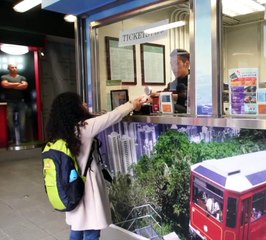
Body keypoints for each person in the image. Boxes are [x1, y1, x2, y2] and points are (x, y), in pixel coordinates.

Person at [45, 92, 148, 240]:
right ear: (74, 108)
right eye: (81, 103)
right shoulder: (83, 129)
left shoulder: (60, 131)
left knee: (77, 227)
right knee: (92, 231)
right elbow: (113, 116)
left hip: (71, 185)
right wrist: (133, 104)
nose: (85, 105)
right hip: (87, 186)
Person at [151, 49, 190, 113]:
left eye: (177, 64)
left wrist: (165, 96)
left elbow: (187, 97)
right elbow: (162, 94)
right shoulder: (171, 85)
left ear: (186, 63)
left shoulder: (195, 82)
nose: (174, 67)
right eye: (172, 64)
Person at [1, 63, 28, 144]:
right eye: (12, 67)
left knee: (22, 121)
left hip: (21, 102)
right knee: (10, 122)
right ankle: (12, 139)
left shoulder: (22, 77)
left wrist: (11, 85)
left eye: (16, 67)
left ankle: (22, 138)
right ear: (9, 69)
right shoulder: (4, 77)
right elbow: (4, 85)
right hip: (10, 102)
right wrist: (17, 84)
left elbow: (25, 86)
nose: (14, 68)